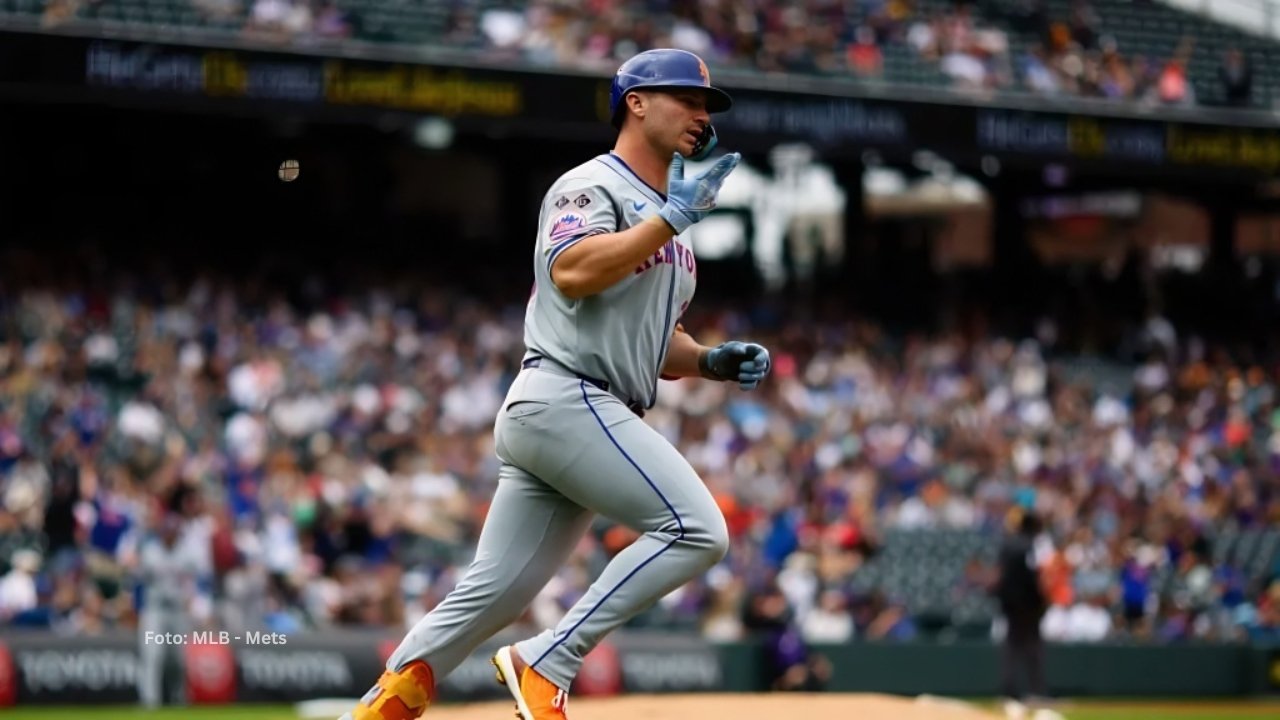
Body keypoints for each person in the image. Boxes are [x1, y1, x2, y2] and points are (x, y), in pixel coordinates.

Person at [342, 48, 770, 720]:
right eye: (687, 99)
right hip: (568, 395)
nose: (700, 114)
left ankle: (377, 707)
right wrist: (669, 220)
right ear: (636, 101)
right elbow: (570, 270)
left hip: (578, 409)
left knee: (495, 594)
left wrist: (710, 360)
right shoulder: (592, 184)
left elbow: (654, 345)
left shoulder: (671, 219)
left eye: (707, 106)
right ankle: (548, 661)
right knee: (695, 529)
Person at [994, 510, 1048, 705]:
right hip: (1027, 603)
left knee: (1012, 646)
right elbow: (1032, 576)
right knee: (1032, 646)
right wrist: (1040, 599)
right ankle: (1036, 691)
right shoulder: (1030, 546)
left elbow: (1000, 575)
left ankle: (1008, 691)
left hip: (1009, 602)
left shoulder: (1007, 544)